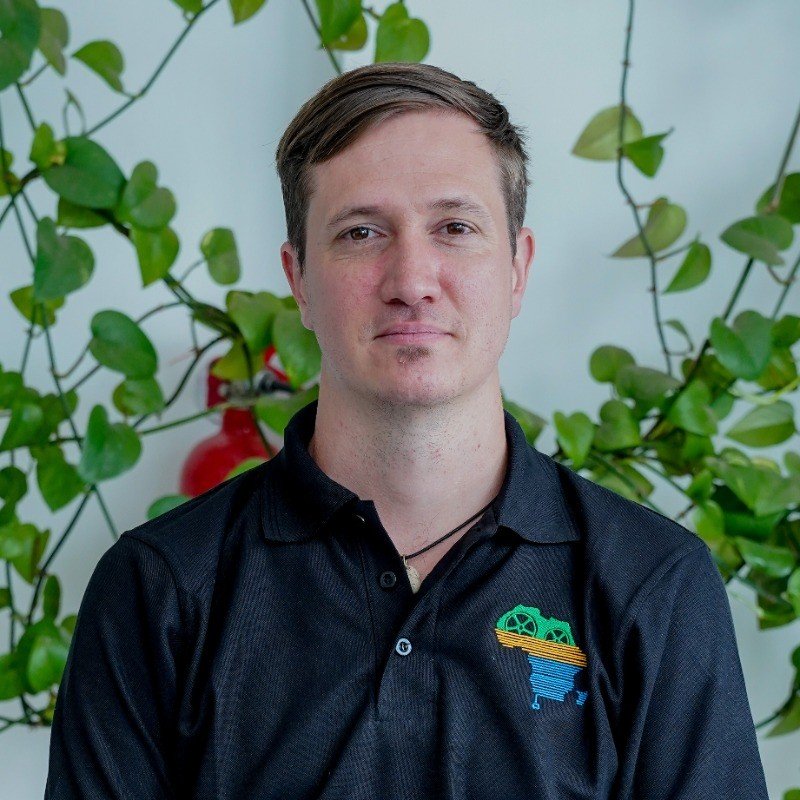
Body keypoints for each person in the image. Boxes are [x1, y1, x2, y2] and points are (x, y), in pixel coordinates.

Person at [45, 62, 770, 799]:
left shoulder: (653, 586)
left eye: (455, 227)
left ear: (518, 268)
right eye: (361, 232)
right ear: (298, 279)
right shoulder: (160, 590)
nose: (412, 278)